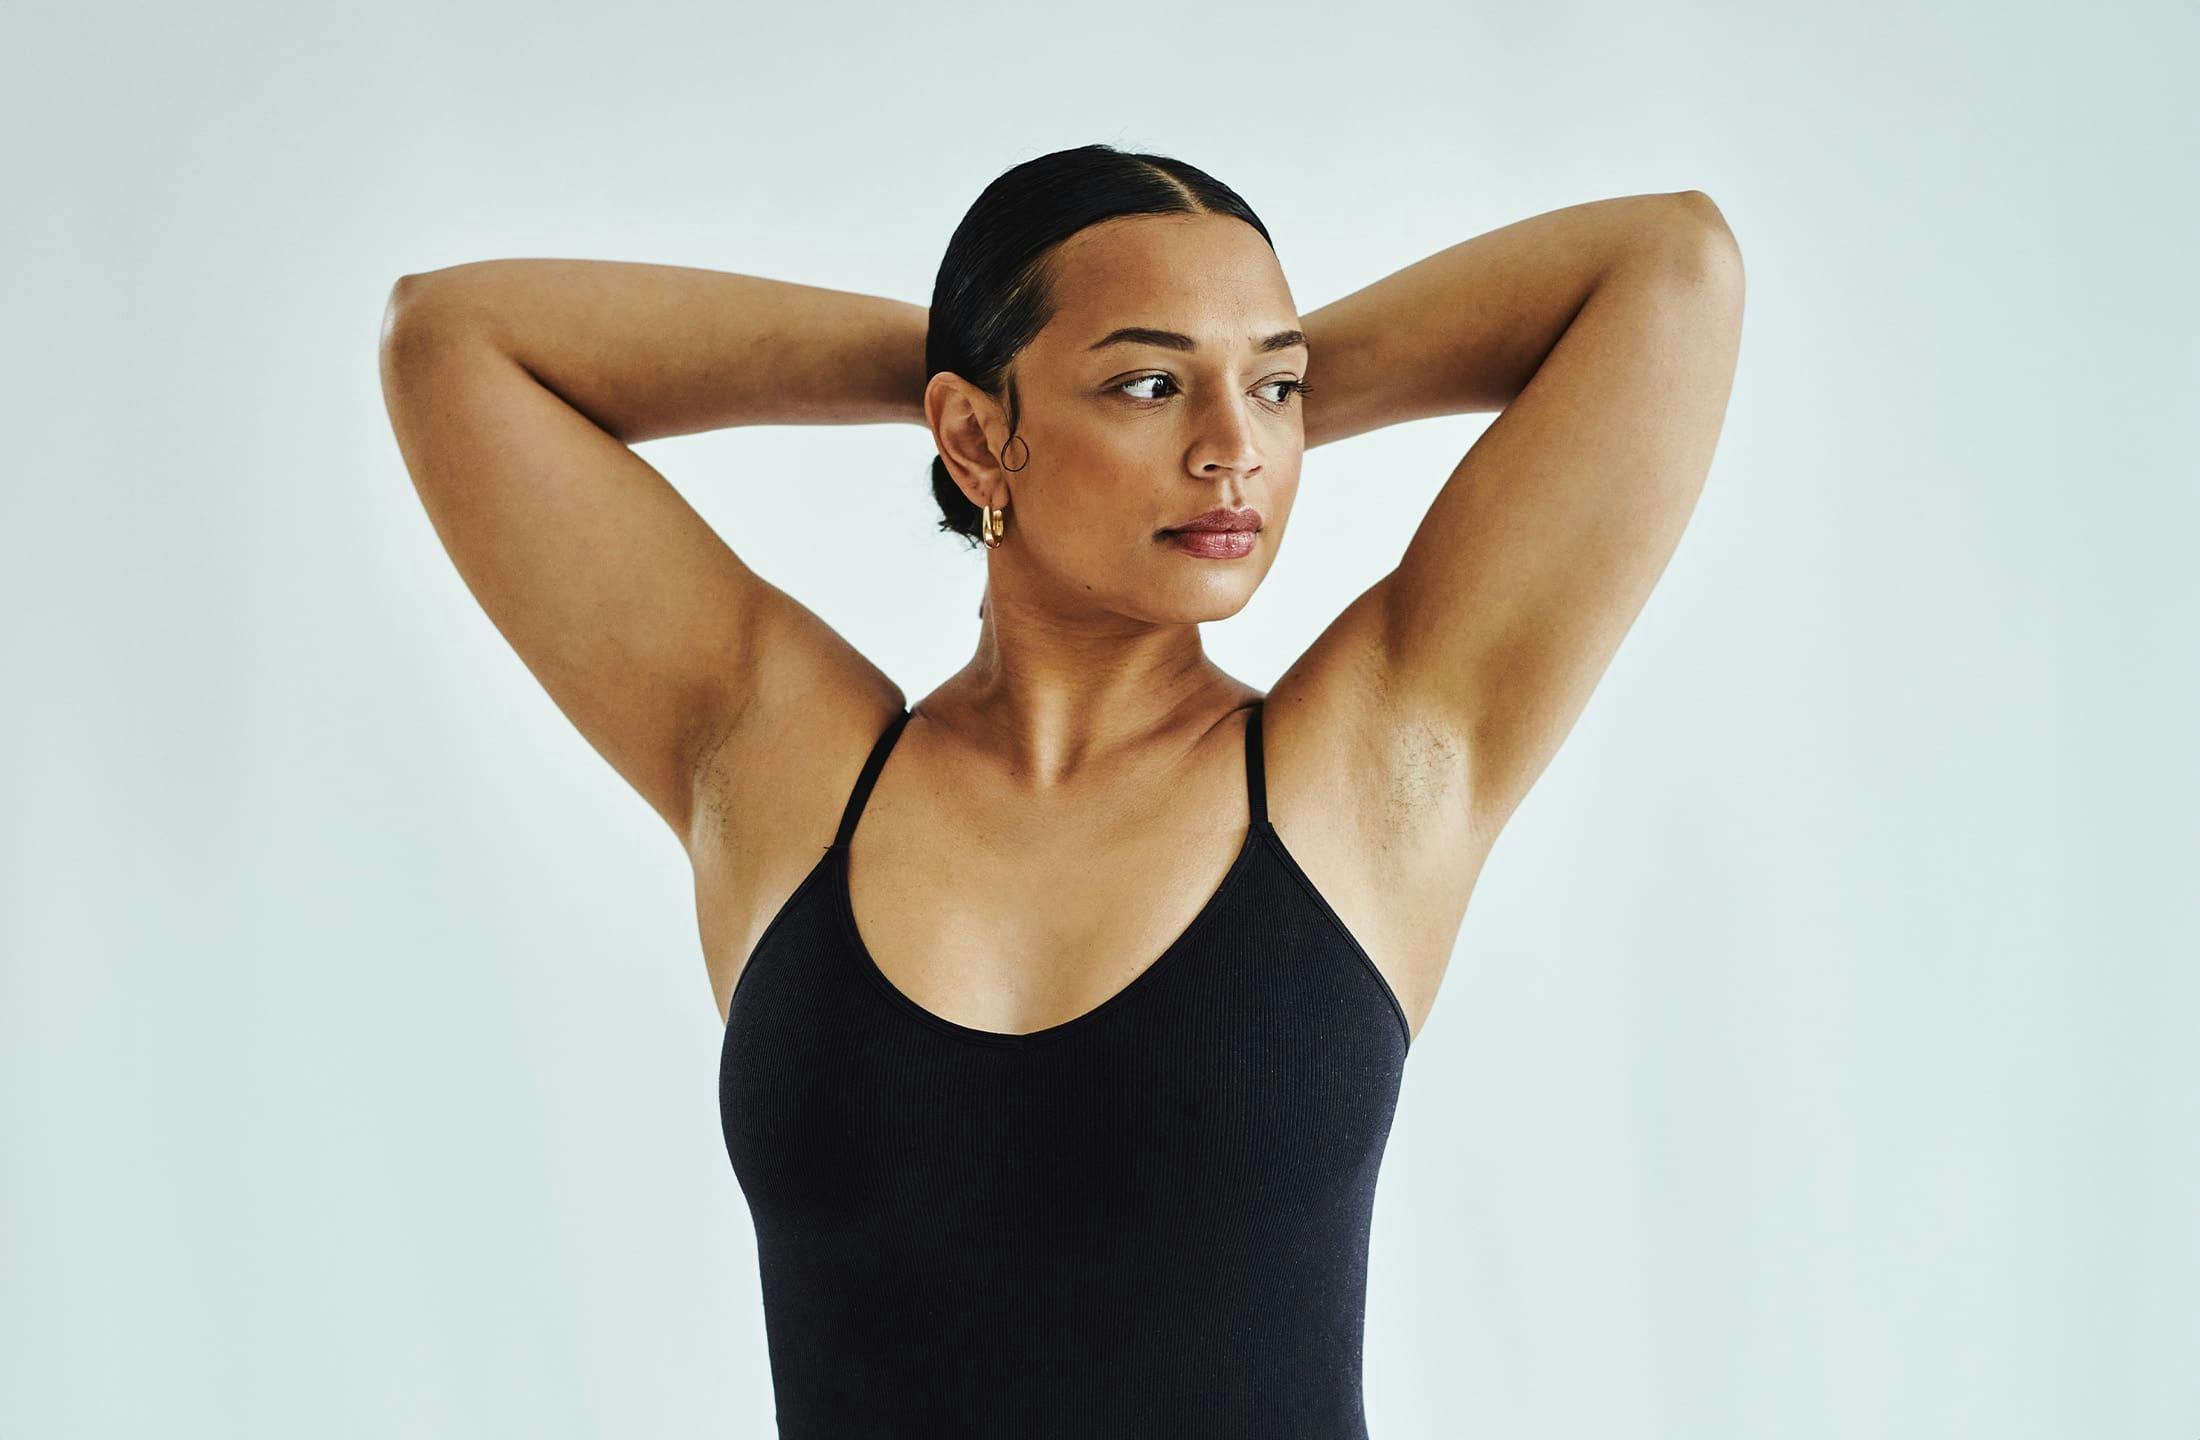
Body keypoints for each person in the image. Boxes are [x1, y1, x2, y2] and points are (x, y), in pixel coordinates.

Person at [377, 143, 1742, 1437]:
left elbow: (1669, 265)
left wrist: (1201, 388)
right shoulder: (785, 767)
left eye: (1276, 389)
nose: (1235, 452)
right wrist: (969, 379)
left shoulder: (1372, 764)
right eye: (1150, 388)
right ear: (971, 440)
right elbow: (453, 340)